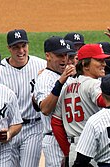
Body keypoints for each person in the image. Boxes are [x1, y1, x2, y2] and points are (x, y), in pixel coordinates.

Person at [51, 44, 110, 166]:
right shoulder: (93, 84)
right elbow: (103, 101)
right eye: (99, 60)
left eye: (104, 60)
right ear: (85, 65)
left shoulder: (67, 88)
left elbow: (56, 122)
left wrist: (67, 151)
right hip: (91, 151)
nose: (104, 64)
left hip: (74, 149)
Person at [0, 29, 47, 167]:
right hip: (9, 129)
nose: (21, 51)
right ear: (9, 48)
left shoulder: (42, 66)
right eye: (16, 47)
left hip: (33, 128)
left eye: (23, 46)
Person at [33, 36, 76, 167]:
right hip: (54, 140)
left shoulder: (67, 75)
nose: (64, 59)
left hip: (70, 138)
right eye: (59, 55)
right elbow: (45, 109)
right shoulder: (44, 78)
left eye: (65, 55)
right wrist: (61, 82)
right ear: (48, 56)